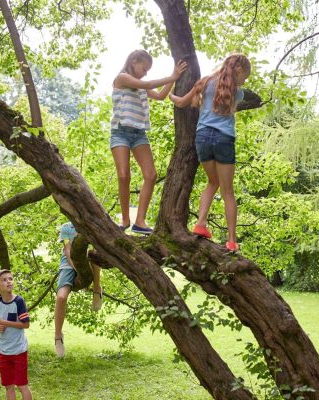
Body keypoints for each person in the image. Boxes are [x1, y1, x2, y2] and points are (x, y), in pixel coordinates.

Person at [169, 53, 252, 252]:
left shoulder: (205, 82)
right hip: (224, 139)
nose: (244, 81)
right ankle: (232, 241)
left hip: (203, 138)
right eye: (245, 77)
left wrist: (170, 94)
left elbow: (180, 102)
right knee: (227, 191)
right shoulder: (238, 93)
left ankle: (201, 224)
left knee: (212, 182)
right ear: (239, 69)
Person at [111, 49, 187, 234]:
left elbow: (160, 96)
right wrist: (172, 76)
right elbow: (147, 83)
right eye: (144, 68)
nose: (146, 72)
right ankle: (125, 219)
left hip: (139, 134)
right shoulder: (122, 78)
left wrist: (175, 79)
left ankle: (140, 222)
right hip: (120, 132)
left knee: (151, 175)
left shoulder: (142, 86)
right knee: (123, 176)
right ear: (134, 61)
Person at [54, 221, 103, 358]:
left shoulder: (91, 222)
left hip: (89, 260)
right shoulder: (65, 227)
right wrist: (78, 268)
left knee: (94, 254)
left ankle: (97, 289)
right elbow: (68, 251)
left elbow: (97, 247)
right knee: (61, 297)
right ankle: (58, 336)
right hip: (68, 264)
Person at [0, 269, 32, 400]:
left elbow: (26, 324)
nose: (9, 282)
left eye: (10, 279)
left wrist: (4, 322)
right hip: (3, 351)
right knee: (8, 386)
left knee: (22, 385)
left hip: (19, 350)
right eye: (4, 280)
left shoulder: (19, 301)